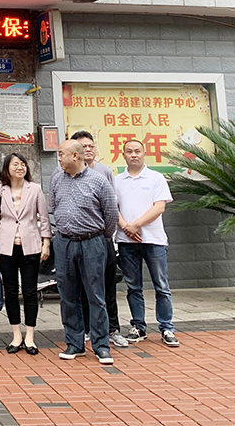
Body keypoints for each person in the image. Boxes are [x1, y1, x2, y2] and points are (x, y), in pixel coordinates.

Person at [51, 139, 119, 366]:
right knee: (68, 295)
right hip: (64, 242)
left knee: (96, 295)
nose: (59, 158)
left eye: (61, 154)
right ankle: (74, 343)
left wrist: (100, 238)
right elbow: (54, 206)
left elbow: (111, 214)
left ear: (75, 156)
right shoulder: (56, 179)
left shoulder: (98, 181)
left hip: (92, 242)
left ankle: (101, 346)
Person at [116, 139, 180, 347]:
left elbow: (159, 207)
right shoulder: (117, 180)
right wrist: (126, 227)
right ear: (123, 155)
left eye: (137, 151)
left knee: (161, 286)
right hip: (126, 241)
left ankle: (167, 327)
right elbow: (112, 208)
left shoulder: (156, 178)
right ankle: (138, 326)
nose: (133, 155)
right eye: (129, 151)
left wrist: (135, 225)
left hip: (154, 240)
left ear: (144, 154)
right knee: (133, 287)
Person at [0, 153, 51, 355]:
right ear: (7, 168)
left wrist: (46, 242)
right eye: (15, 164)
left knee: (30, 291)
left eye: (23, 164)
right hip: (6, 247)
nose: (20, 167)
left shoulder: (35, 189)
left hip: (30, 245)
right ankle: (16, 335)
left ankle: (30, 336)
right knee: (11, 291)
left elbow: (44, 217)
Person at [71, 130, 128, 349]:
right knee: (83, 287)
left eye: (90, 146)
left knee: (107, 285)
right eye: (82, 146)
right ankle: (87, 328)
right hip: (78, 240)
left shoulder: (104, 171)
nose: (87, 150)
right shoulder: (65, 172)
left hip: (102, 239)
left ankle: (112, 329)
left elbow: (111, 206)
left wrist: (107, 234)